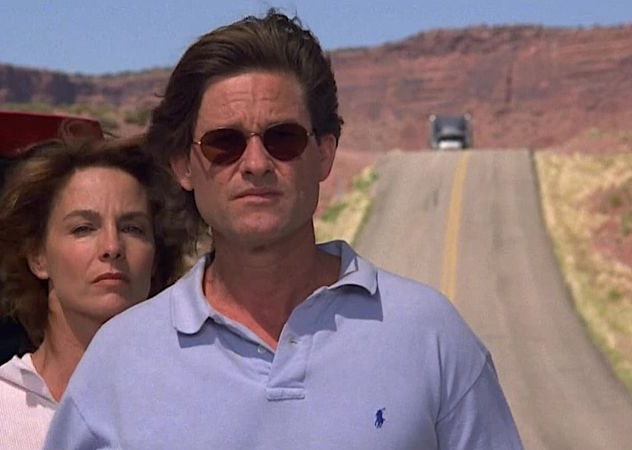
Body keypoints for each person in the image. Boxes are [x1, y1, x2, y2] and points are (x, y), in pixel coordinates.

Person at [45, 10, 523, 450]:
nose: (255, 163)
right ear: (183, 166)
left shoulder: (430, 336)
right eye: (224, 143)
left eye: (283, 138)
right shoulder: (119, 361)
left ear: (325, 153)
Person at [0, 134, 194, 449]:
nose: (112, 246)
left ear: (155, 259)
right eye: (83, 228)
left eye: (132, 228)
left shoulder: (197, 413)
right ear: (38, 257)